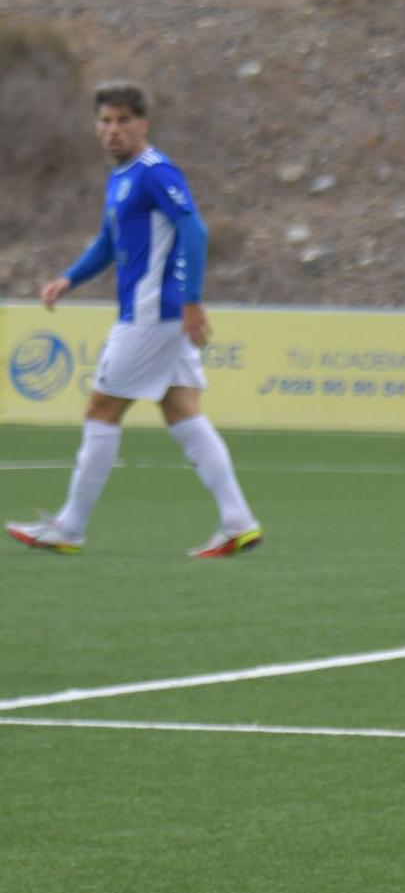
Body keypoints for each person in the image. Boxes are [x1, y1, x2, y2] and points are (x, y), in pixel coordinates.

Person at [7, 82, 261, 559]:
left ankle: (70, 527)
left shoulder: (154, 172)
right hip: (156, 316)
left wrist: (192, 301)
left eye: (123, 120)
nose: (112, 130)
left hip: (151, 316)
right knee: (183, 411)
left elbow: (194, 228)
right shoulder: (121, 178)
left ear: (142, 124)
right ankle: (237, 520)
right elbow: (107, 242)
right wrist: (69, 278)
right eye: (105, 121)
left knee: (101, 411)